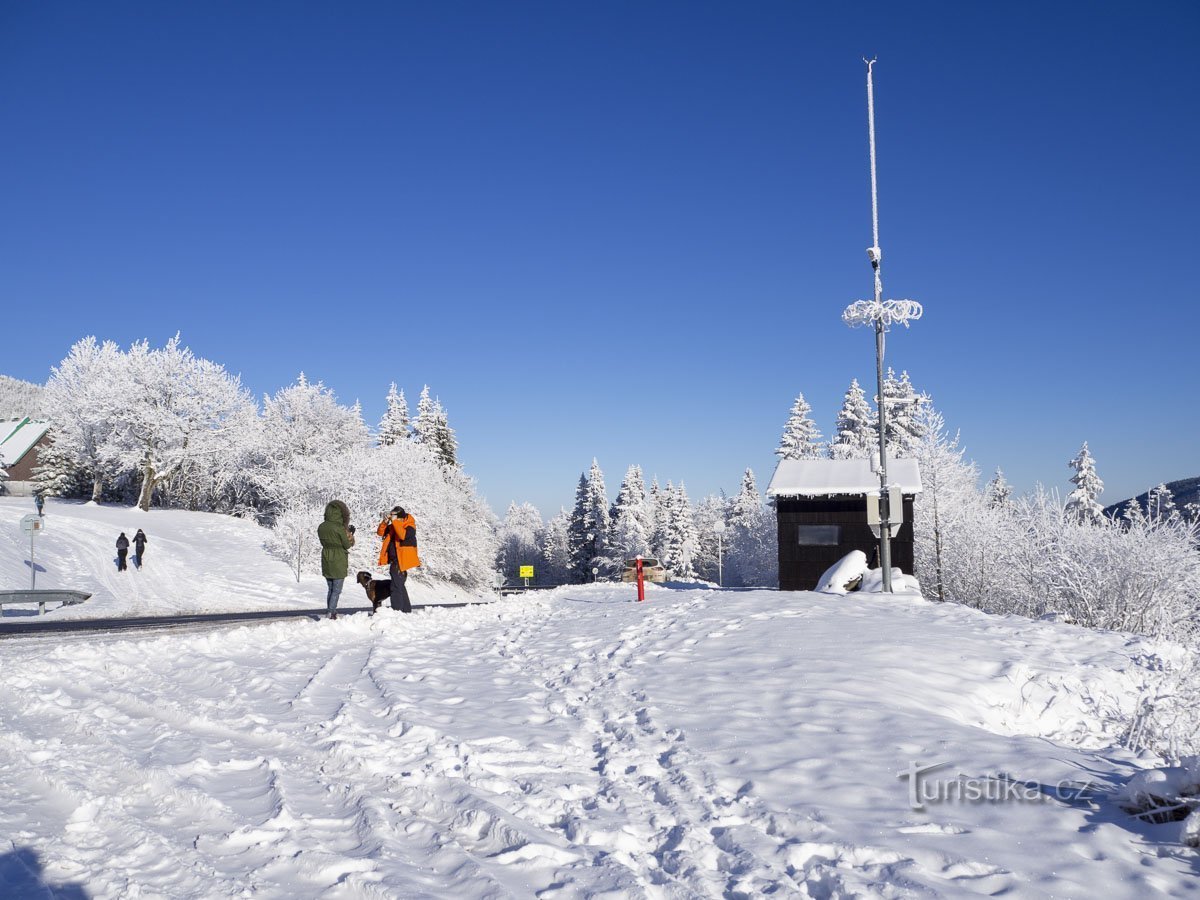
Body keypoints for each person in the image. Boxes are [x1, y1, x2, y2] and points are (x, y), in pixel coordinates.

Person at [377, 505, 420, 612]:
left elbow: (402, 535)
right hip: (395, 560)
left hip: (401, 562)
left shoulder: (409, 526)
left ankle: (397, 611)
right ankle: (406, 610)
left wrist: (395, 521)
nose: (393, 519)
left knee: (395, 587)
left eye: (395, 517)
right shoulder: (394, 526)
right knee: (399, 585)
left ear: (401, 517)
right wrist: (385, 522)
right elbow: (380, 533)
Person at [317, 499, 355, 620]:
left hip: (326, 557)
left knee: (331, 589)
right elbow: (347, 544)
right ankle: (330, 613)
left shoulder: (321, 527)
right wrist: (350, 533)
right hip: (338, 559)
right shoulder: (339, 528)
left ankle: (331, 610)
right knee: (337, 590)